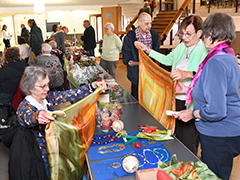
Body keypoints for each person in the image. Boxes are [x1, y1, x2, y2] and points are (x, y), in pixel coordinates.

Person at [176, 13, 240, 180]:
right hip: (229, 132)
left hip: (219, 135)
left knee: (214, 175)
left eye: (204, 33)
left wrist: (192, 113)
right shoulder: (229, 55)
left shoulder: (215, 62)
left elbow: (216, 110)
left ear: (211, 34)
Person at [135, 15, 208, 155]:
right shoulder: (181, 47)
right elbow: (166, 60)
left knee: (189, 143)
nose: (184, 37)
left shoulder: (204, 50)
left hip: (192, 105)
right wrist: (147, 50)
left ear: (199, 33)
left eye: (188, 34)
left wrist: (188, 73)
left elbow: (207, 75)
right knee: (176, 138)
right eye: (182, 33)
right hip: (176, 101)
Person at [17, 65, 107, 178]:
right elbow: (27, 117)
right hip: (43, 155)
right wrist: (37, 116)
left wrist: (93, 86)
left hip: (57, 148)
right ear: (30, 88)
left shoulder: (47, 98)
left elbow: (70, 94)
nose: (47, 89)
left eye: (48, 84)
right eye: (42, 86)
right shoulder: (24, 107)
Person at [122, 12, 161, 101]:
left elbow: (157, 53)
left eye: (150, 23)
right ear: (139, 23)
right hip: (136, 76)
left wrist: (155, 65)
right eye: (147, 23)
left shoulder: (154, 35)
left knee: (150, 100)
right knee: (136, 100)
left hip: (151, 75)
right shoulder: (130, 37)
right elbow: (126, 60)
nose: (149, 26)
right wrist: (140, 64)